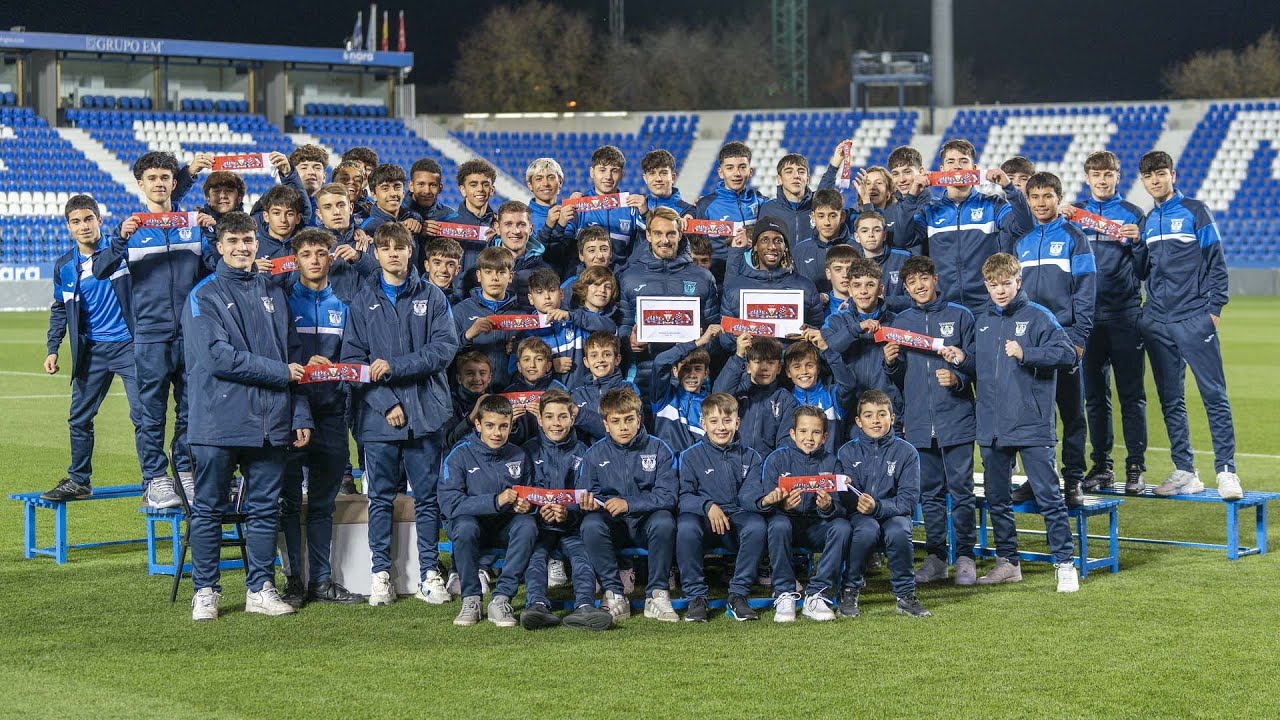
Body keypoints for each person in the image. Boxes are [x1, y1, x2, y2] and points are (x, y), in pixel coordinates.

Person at [182, 211, 312, 621]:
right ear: (220, 246)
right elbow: (217, 357)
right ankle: (205, 590)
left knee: (264, 509)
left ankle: (260, 588)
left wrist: (299, 413)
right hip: (217, 420)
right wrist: (279, 373)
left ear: (257, 243)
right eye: (234, 241)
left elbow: (295, 358)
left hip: (270, 421)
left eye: (248, 240)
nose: (242, 247)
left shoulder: (273, 291)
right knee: (209, 508)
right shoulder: (203, 294)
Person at [944, 252, 1079, 592]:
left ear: (1019, 282)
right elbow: (983, 367)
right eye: (994, 285)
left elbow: (1068, 355)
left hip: (1031, 423)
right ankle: (1009, 562)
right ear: (986, 286)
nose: (1000, 291)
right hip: (992, 424)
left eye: (1006, 283)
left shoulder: (1039, 316)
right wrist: (963, 359)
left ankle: (1065, 563)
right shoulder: (983, 320)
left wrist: (1027, 353)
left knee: (1049, 497)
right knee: (997, 498)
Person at [341, 223, 459, 606]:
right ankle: (381, 574)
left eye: (400, 247)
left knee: (427, 498)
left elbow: (444, 349)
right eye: (386, 247)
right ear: (375, 253)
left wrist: (394, 367)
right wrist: (386, 402)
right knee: (380, 497)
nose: (393, 253)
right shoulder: (361, 301)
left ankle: (429, 573)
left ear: (411, 252)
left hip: (426, 414)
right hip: (378, 419)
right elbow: (353, 361)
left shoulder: (433, 296)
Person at [94, 151, 215, 508]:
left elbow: (216, 268)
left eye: (165, 178)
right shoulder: (131, 228)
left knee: (192, 409)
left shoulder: (192, 224)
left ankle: (185, 471)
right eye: (152, 178)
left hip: (191, 333)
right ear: (140, 184)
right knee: (151, 412)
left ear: (174, 183)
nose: (159, 184)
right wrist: (119, 238)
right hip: (150, 335)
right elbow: (100, 269)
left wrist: (212, 232)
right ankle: (154, 478)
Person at [1133, 151, 1242, 500]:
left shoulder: (1195, 211)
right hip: (1157, 321)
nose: (1155, 180)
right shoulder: (1148, 220)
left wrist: (1213, 310)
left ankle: (1226, 470)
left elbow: (1216, 261)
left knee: (1213, 394)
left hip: (1194, 317)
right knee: (1170, 398)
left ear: (1173, 175)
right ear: (1143, 180)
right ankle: (1186, 471)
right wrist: (1136, 245)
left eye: (1160, 173)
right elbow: (1143, 271)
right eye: (1148, 176)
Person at [277, 228, 365, 606]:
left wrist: (336, 372)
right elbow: (275, 355)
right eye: (306, 253)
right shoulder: (281, 304)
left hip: (331, 413)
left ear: (331, 258)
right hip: (290, 414)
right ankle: (293, 581)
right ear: (295, 260)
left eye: (320, 253)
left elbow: (356, 359)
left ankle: (321, 581)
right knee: (288, 502)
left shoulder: (345, 306)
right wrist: (301, 367)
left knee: (323, 503)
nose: (314, 260)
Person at [41, 195, 145, 501]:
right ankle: (79, 480)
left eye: (88, 219)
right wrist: (53, 348)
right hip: (92, 351)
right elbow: (60, 308)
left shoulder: (123, 249)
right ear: (68, 227)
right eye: (76, 221)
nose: (83, 226)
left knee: (144, 416)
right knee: (79, 418)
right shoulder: (65, 266)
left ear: (99, 220)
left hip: (130, 346)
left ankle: (153, 480)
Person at [884, 255, 978, 586]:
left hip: (957, 419)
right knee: (930, 494)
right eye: (911, 282)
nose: (919, 286)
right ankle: (936, 558)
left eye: (924, 279)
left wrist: (958, 379)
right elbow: (900, 380)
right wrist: (890, 364)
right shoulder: (902, 321)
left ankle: (965, 557)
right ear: (906, 288)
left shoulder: (961, 316)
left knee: (962, 492)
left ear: (935, 279)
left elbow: (976, 364)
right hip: (920, 423)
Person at [1011, 171, 1096, 508]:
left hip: (1065, 339)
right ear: (1028, 200)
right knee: (1035, 416)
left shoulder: (1075, 238)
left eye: (1048, 196)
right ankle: (1039, 479)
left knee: (1072, 412)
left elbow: (1086, 291)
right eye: (1035, 197)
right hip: (1032, 344)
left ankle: (1073, 480)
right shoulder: (1023, 243)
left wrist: (1078, 337)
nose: (1041, 203)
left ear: (1059, 199)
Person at [1069, 150, 1148, 494]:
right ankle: (1102, 467)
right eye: (1096, 174)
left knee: (1132, 396)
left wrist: (1138, 242)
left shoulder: (1133, 214)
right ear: (1087, 178)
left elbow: (1144, 269)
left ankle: (1136, 467)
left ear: (1118, 177)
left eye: (1108, 174)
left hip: (1124, 315)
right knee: (1094, 399)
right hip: (1087, 320)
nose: (1102, 180)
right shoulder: (1073, 215)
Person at [576, 388, 679, 622]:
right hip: (613, 526)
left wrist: (628, 504)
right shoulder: (594, 454)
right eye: (616, 421)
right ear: (605, 424)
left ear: (639, 420)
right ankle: (614, 595)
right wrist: (589, 504)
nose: (623, 427)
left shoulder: (659, 449)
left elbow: (668, 496)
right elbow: (588, 493)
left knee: (664, 520)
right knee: (591, 524)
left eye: (629, 420)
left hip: (646, 524)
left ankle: (657, 594)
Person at [518, 390, 616, 631]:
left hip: (572, 526)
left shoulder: (585, 452)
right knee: (535, 556)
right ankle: (537, 605)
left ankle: (584, 607)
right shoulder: (526, 451)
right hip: (540, 526)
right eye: (549, 417)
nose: (556, 423)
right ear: (539, 419)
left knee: (582, 557)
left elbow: (587, 493)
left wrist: (569, 513)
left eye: (562, 417)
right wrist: (536, 511)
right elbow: (522, 493)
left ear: (573, 418)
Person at [744, 406, 851, 622]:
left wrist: (827, 507)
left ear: (825, 437)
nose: (809, 438)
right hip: (786, 527)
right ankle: (784, 592)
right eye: (803, 431)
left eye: (816, 432)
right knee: (778, 524)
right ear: (792, 433)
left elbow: (842, 508)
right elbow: (766, 500)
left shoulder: (832, 462)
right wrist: (782, 506)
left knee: (842, 527)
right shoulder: (776, 459)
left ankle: (817, 594)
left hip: (817, 526)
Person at [900, 139, 1032, 312]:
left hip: (986, 304)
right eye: (951, 161)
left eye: (963, 161)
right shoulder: (930, 210)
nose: (957, 166)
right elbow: (903, 238)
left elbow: (1024, 227)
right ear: (942, 170)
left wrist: (1009, 188)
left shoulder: (993, 204)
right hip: (945, 306)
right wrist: (911, 197)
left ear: (974, 168)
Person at [440, 395, 538, 627]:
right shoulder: (459, 454)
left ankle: (501, 599)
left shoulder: (519, 455)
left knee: (527, 525)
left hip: (504, 526)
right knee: (465, 526)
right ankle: (471, 599)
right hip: (470, 525)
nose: (497, 433)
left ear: (511, 426)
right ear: (478, 425)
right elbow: (450, 504)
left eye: (503, 426)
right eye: (490, 425)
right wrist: (496, 500)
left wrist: (527, 507)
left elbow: (530, 494)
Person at [836, 390, 930, 618]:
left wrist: (878, 507)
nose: (876, 420)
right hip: (860, 515)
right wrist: (857, 504)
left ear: (892, 418)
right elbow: (843, 496)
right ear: (858, 421)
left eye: (882, 414)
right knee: (866, 530)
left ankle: (905, 595)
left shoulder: (907, 452)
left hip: (893, 513)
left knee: (899, 530)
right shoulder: (847, 451)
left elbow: (908, 500)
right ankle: (850, 589)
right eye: (868, 415)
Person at [676, 392, 768, 622]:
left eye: (727, 421)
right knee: (685, 526)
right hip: (703, 520)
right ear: (703, 423)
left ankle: (738, 596)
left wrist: (764, 501)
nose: (721, 427)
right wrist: (707, 506)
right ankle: (696, 598)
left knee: (757, 525)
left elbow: (749, 495)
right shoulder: (689, 456)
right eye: (714, 421)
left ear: (737, 423)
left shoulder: (752, 457)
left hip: (736, 518)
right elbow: (683, 497)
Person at [617, 207, 720, 397]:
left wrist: (703, 341)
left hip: (690, 378)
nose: (665, 240)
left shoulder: (703, 278)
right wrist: (629, 341)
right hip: (643, 377)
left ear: (680, 234)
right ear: (648, 235)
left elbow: (715, 332)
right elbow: (623, 326)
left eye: (671, 233)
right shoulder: (629, 277)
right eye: (658, 233)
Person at [720, 219, 825, 349]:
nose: (772, 246)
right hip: (752, 360)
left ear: (785, 247)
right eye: (765, 240)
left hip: (793, 359)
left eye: (778, 241)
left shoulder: (805, 287)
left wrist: (808, 333)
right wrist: (736, 336)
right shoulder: (735, 288)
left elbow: (819, 329)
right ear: (755, 246)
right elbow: (724, 339)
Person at [548, 145, 648, 267]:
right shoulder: (578, 206)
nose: (608, 177)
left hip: (621, 275)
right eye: (602, 170)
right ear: (592, 172)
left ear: (622, 174)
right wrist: (561, 224)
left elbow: (646, 246)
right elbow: (558, 251)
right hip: (585, 274)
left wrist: (646, 215)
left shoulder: (631, 208)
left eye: (614, 171)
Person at [523, 268, 617, 391]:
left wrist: (571, 316)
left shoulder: (577, 319)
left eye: (552, 290)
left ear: (561, 294)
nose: (547, 297)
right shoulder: (526, 331)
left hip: (583, 394)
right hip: (550, 398)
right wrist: (549, 366)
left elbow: (610, 327)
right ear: (530, 299)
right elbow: (518, 371)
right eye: (539, 292)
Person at [712, 334, 797, 457]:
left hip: (766, 465)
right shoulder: (736, 393)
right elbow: (717, 397)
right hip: (733, 461)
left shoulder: (786, 400)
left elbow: (785, 444)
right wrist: (738, 356)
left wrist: (772, 466)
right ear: (748, 367)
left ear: (779, 368)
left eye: (770, 363)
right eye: (758, 362)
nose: (764, 368)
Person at [454, 246, 525, 389]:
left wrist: (519, 349)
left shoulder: (522, 314)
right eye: (488, 272)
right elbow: (446, 354)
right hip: (471, 393)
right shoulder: (461, 311)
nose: (494, 278)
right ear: (479, 275)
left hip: (511, 392)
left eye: (501, 272)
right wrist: (468, 335)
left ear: (510, 276)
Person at [692, 142, 766, 277]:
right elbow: (699, 246)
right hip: (718, 275)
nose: (736, 173)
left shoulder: (761, 202)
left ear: (750, 171)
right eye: (730, 168)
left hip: (753, 274)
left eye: (742, 167)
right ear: (721, 172)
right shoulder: (705, 205)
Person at [650, 325, 722, 455]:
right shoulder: (664, 398)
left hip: (698, 465)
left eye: (697, 369)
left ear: (706, 373)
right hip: (667, 466)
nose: (692, 374)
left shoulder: (711, 404)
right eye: (686, 369)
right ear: (675, 371)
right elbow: (660, 362)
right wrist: (698, 342)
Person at [569, 331, 642, 444]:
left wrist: (580, 415)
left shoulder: (629, 389)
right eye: (594, 355)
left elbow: (626, 432)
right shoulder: (576, 395)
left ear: (617, 359)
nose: (600, 360)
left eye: (607, 354)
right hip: (587, 454)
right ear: (586, 362)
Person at [501, 337, 567, 447]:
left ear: (548, 366)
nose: (532, 365)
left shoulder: (559, 391)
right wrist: (510, 424)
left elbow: (566, 430)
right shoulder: (508, 394)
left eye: (539, 359)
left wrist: (546, 419)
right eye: (526, 359)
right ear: (519, 367)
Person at [791, 188, 852, 290]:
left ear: (842, 216)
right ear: (813, 217)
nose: (827, 222)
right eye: (821, 216)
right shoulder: (800, 250)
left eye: (832, 216)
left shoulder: (856, 249)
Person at [851, 211, 911, 312]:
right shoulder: (852, 262)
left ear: (884, 235)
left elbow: (915, 298)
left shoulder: (904, 259)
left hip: (898, 318)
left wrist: (885, 301)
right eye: (865, 231)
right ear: (857, 237)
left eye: (876, 230)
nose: (871, 235)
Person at [493, 200, 551, 299]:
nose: (516, 231)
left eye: (522, 225)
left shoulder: (545, 272)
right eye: (508, 224)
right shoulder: (481, 266)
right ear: (497, 228)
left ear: (531, 229)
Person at [756, 154, 815, 251]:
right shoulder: (768, 209)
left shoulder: (817, 207)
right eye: (789, 172)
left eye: (801, 172)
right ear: (779, 179)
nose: (796, 176)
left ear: (807, 179)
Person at [524, 157, 564, 261]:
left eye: (551, 177)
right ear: (530, 185)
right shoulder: (523, 218)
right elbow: (529, 256)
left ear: (560, 182)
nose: (545, 183)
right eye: (539, 179)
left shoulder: (570, 214)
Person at [254, 185, 305, 265]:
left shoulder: (307, 246)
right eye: (277, 213)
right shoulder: (252, 247)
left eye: (290, 214)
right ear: (266, 216)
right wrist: (250, 269)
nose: (283, 220)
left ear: (298, 218)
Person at [559, 226, 613, 297]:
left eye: (604, 249)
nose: (599, 256)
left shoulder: (621, 283)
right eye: (592, 250)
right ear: (581, 255)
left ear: (611, 253)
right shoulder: (569, 288)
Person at [640, 149, 694, 215]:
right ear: (645, 178)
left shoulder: (688, 211)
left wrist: (645, 214)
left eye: (664, 173)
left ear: (673, 177)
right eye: (652, 173)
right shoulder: (636, 206)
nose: (658, 179)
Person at [422, 236, 465, 305]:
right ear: (427, 265)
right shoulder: (411, 295)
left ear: (457, 269)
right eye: (437, 263)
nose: (443, 270)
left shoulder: (459, 305)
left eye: (450, 264)